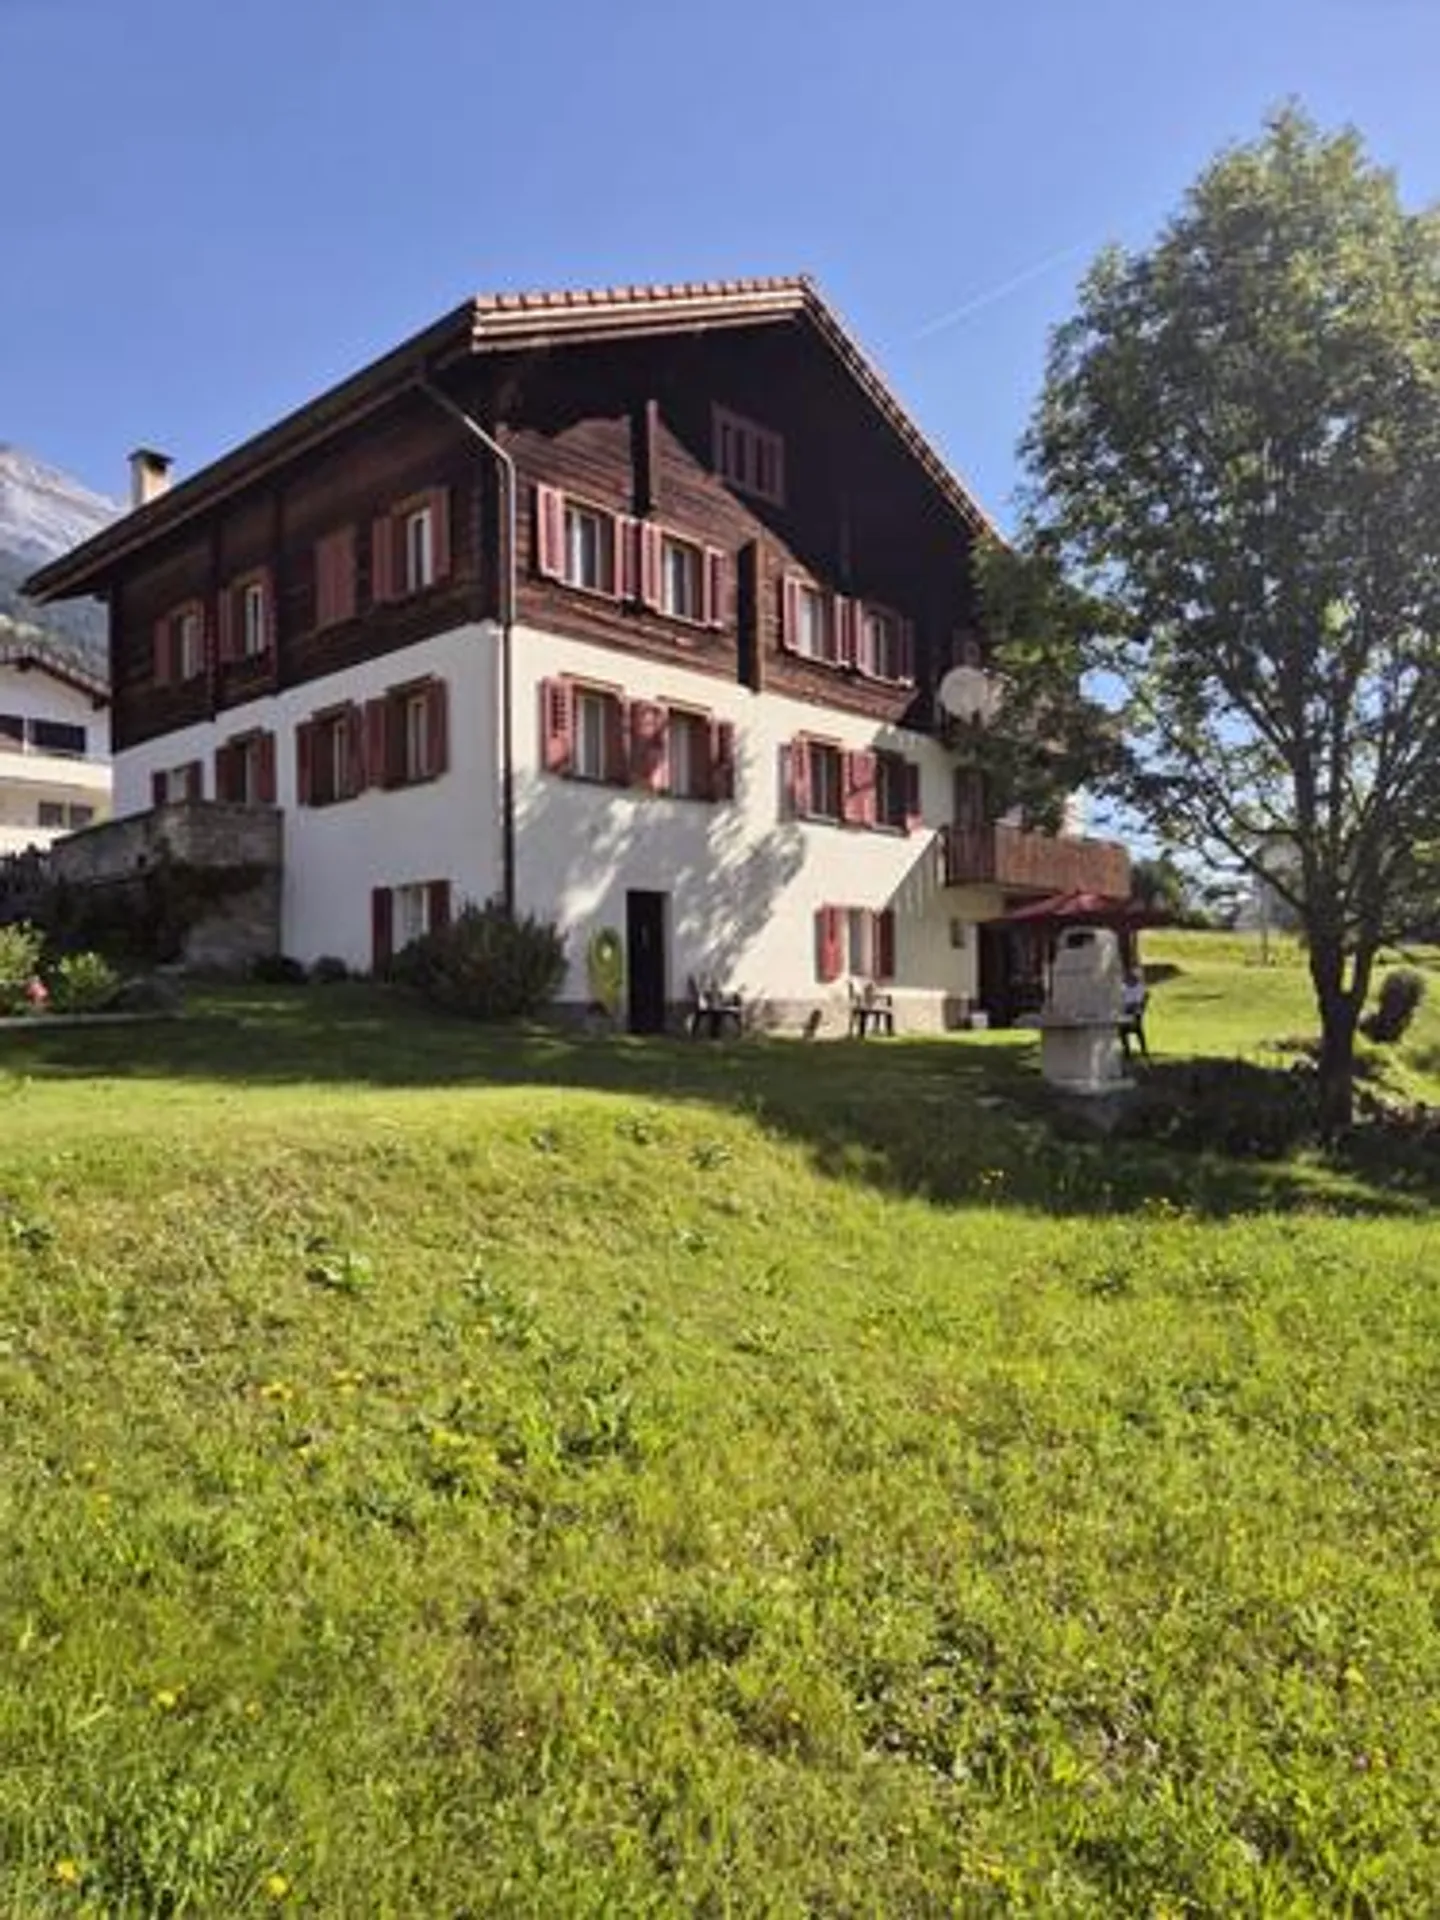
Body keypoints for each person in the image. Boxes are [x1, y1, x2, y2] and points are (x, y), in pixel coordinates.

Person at [1120, 968, 1149, 1060]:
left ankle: (1143, 1049)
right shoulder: (1123, 987)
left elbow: (1140, 1001)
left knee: (1137, 1027)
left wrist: (1137, 1008)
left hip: (1136, 1010)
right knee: (1122, 1029)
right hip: (1125, 1010)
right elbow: (1121, 1000)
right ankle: (1127, 1051)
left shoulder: (1139, 988)